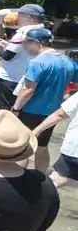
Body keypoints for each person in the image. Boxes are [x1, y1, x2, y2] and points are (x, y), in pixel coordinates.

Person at [10, 27, 77, 173]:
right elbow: (75, 85)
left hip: (30, 110)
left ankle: (16, 179)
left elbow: (28, 90)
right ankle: (41, 177)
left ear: (37, 42)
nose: (24, 45)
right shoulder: (69, 62)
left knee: (23, 145)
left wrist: (15, 109)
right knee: (42, 146)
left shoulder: (37, 62)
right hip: (52, 113)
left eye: (26, 42)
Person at [0, 4, 47, 110]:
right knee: (19, 111)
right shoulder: (43, 31)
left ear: (29, 17)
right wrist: (8, 45)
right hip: (28, 80)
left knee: (5, 112)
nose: (17, 16)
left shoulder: (23, 32)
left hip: (10, 79)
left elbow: (7, 56)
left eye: (20, 14)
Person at [31, 88, 78, 188]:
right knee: (58, 178)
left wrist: (37, 130)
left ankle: (35, 197)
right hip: (74, 151)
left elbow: (60, 114)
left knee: (56, 180)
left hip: (74, 150)